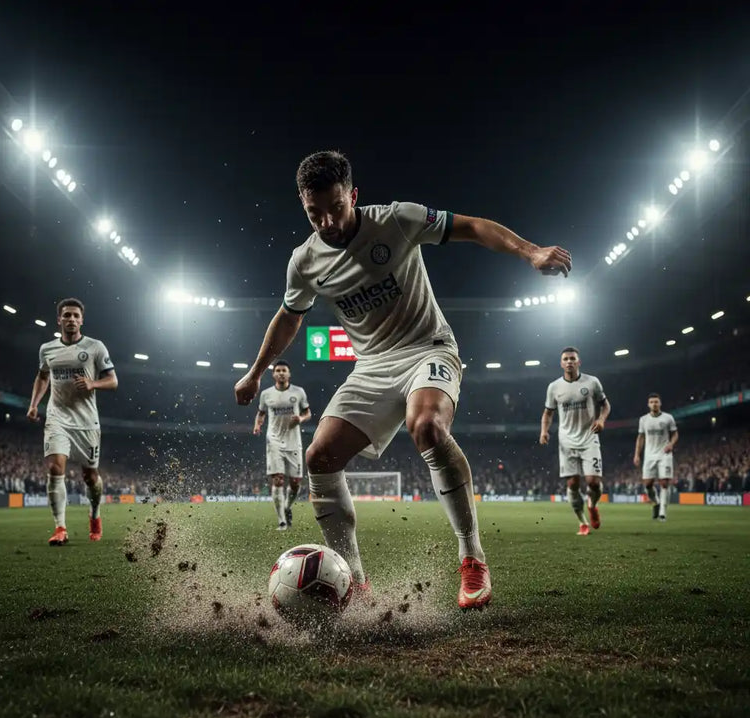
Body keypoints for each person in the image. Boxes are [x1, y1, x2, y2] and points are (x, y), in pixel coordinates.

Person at [235, 150, 571, 609]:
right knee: (319, 457)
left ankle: (472, 558)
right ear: (303, 206)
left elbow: (473, 226)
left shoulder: (396, 220)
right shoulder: (304, 261)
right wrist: (255, 372)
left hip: (428, 347)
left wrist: (531, 252)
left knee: (427, 426)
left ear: (353, 195)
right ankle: (356, 582)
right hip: (371, 366)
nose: (328, 222)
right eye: (315, 214)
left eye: (336, 208)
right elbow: (290, 316)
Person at [27, 298, 117, 545]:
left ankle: (95, 515)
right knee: (55, 468)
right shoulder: (47, 349)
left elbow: (113, 381)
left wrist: (93, 383)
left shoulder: (95, 347)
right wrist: (34, 404)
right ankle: (60, 528)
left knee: (90, 476)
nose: (71, 319)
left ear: (82, 320)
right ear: (59, 319)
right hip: (57, 418)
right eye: (67, 315)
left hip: (87, 422)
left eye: (76, 315)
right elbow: (42, 376)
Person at [539, 347, 610, 536]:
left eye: (572, 358)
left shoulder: (592, 382)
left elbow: (605, 405)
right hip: (566, 442)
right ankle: (582, 523)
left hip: (589, 438)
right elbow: (548, 413)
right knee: (572, 484)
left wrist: (601, 420)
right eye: (566, 359)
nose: (569, 361)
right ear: (561, 363)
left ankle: (592, 504)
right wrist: (544, 431)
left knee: (593, 482)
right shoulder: (554, 387)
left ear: (579, 362)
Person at [253, 359, 311, 530]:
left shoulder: (298, 392)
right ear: (273, 374)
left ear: (289, 374)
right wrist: (257, 425)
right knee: (278, 479)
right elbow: (261, 413)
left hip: (294, 441)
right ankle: (282, 521)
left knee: (295, 482)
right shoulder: (266, 394)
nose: (281, 373)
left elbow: (308, 412)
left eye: (284, 370)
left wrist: (301, 418)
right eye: (278, 370)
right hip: (274, 440)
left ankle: (287, 507)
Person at [633, 393, 678, 521]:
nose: (654, 404)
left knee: (664, 483)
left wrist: (671, 444)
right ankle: (656, 503)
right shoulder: (643, 420)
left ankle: (663, 512)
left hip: (664, 454)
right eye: (652, 402)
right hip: (649, 455)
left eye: (656, 402)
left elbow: (675, 434)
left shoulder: (668, 418)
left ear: (660, 403)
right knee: (648, 484)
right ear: (648, 404)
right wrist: (637, 454)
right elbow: (640, 438)